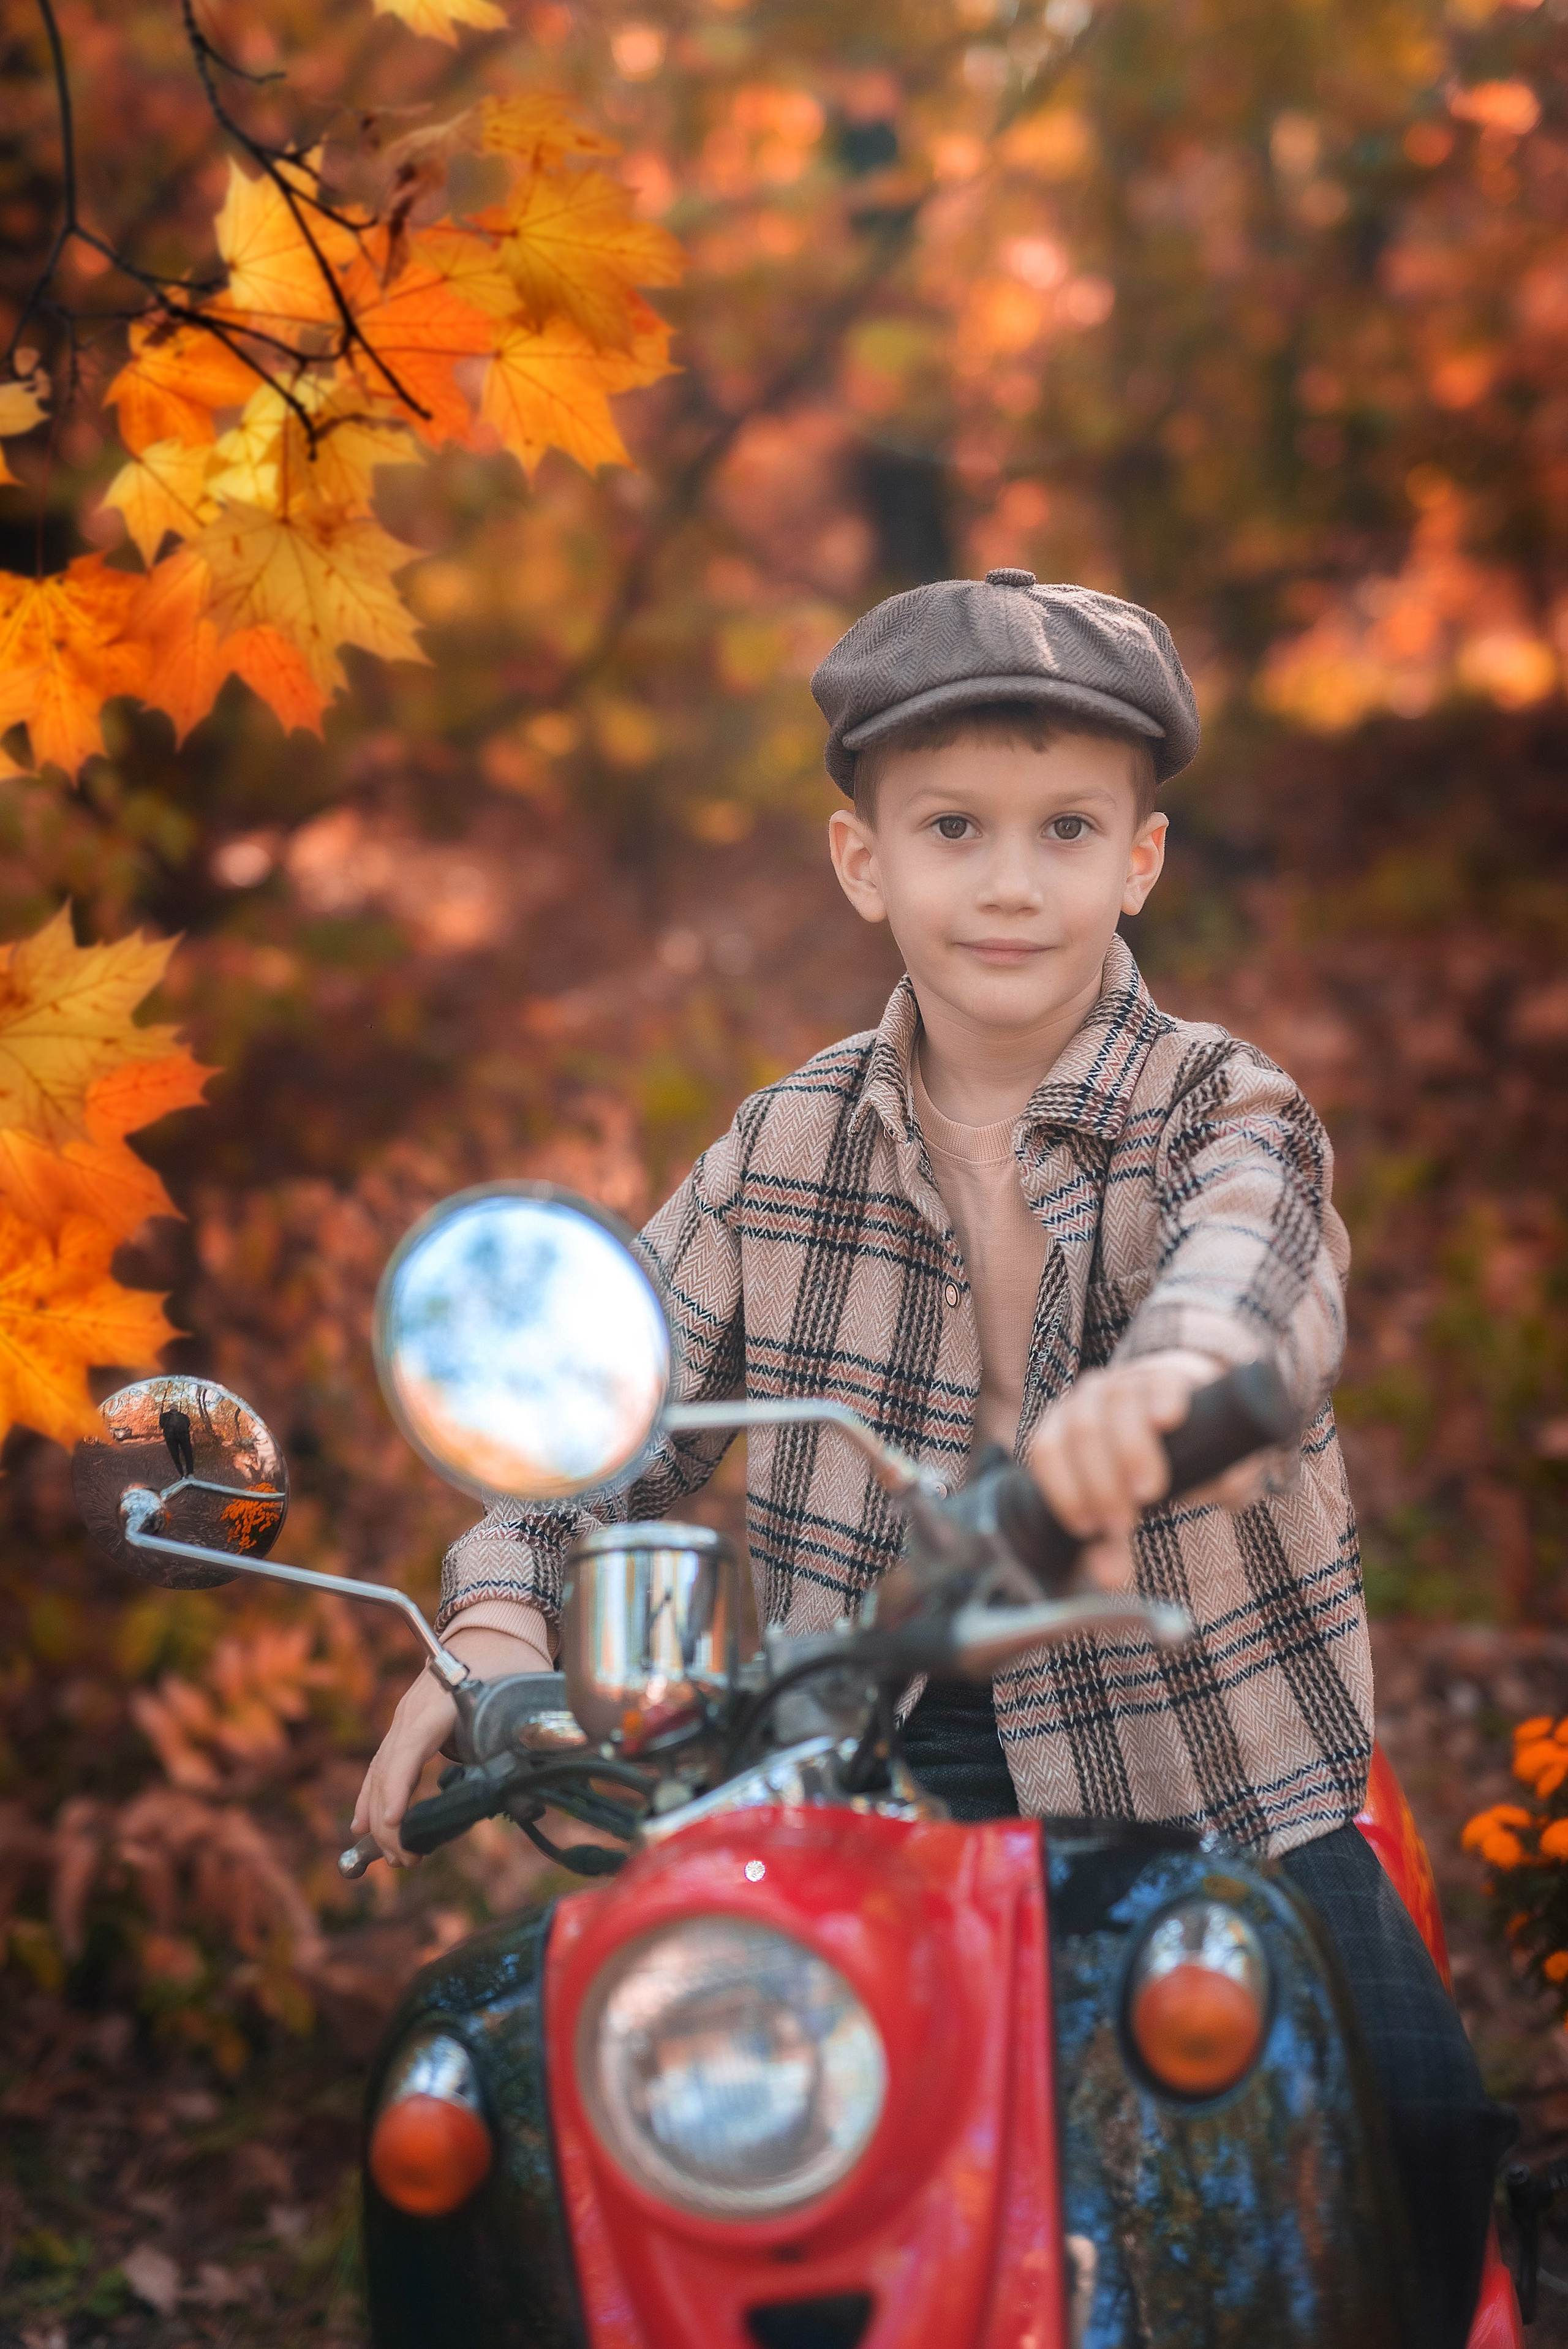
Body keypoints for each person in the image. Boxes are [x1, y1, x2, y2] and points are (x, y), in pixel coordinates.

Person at [355, 567, 1512, 2343]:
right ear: (862, 859)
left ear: (1139, 858)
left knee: (1416, 2118)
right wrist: (497, 1626)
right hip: (848, 1770)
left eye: (1065, 829)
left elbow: (1253, 1294)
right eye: (953, 827)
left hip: (1200, 1765)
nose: (1008, 880)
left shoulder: (1226, 1107)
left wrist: (1159, 1399)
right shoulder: (782, 1142)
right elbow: (611, 1417)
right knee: (533, 2092)